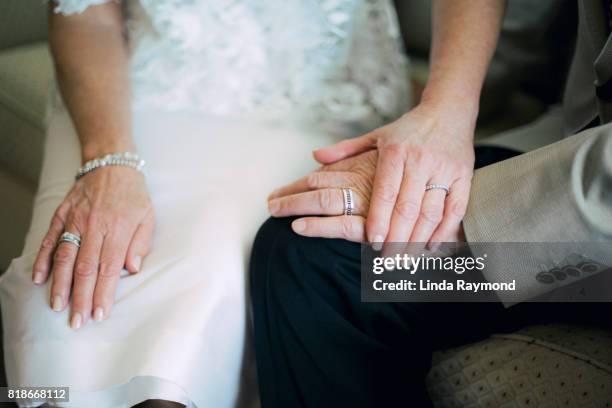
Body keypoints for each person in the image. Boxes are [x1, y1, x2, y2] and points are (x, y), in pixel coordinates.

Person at [0, 0, 414, 407]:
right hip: (136, 84)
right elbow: (84, 14)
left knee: (203, 292)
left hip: (322, 100)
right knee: (66, 303)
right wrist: (108, 160)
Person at [250, 0, 612, 406]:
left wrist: (469, 219)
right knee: (313, 244)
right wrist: (446, 109)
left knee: (328, 265)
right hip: (578, 153)